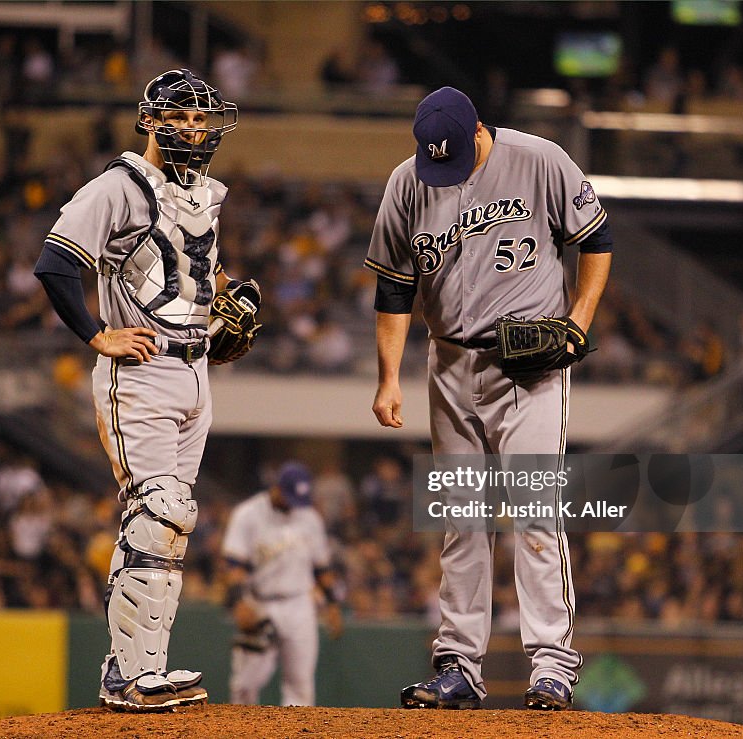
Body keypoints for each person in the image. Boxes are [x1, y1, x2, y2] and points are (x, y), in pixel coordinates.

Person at [365, 86, 612, 710]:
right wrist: (389, 376)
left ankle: (553, 664)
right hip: (447, 361)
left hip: (528, 369)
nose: (439, 170)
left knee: (534, 512)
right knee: (461, 521)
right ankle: (459, 666)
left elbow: (597, 242)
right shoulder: (408, 181)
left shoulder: (540, 160)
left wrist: (579, 322)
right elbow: (394, 290)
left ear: (479, 130)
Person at [33, 69, 244, 712]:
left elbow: (193, 269)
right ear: (150, 121)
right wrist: (98, 335)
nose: (195, 130)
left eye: (203, 119)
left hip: (194, 369)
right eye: (182, 117)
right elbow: (56, 263)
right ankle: (127, 673)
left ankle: (143, 666)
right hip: (141, 369)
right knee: (158, 511)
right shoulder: (117, 187)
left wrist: (227, 301)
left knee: (174, 519)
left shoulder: (201, 191)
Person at [221, 462, 343, 706]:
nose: (292, 504)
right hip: (260, 603)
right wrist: (238, 602)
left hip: (299, 605)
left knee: (300, 685)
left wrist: (332, 603)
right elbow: (233, 565)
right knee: (244, 685)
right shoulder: (248, 514)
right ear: (276, 488)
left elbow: (322, 567)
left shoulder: (309, 517)